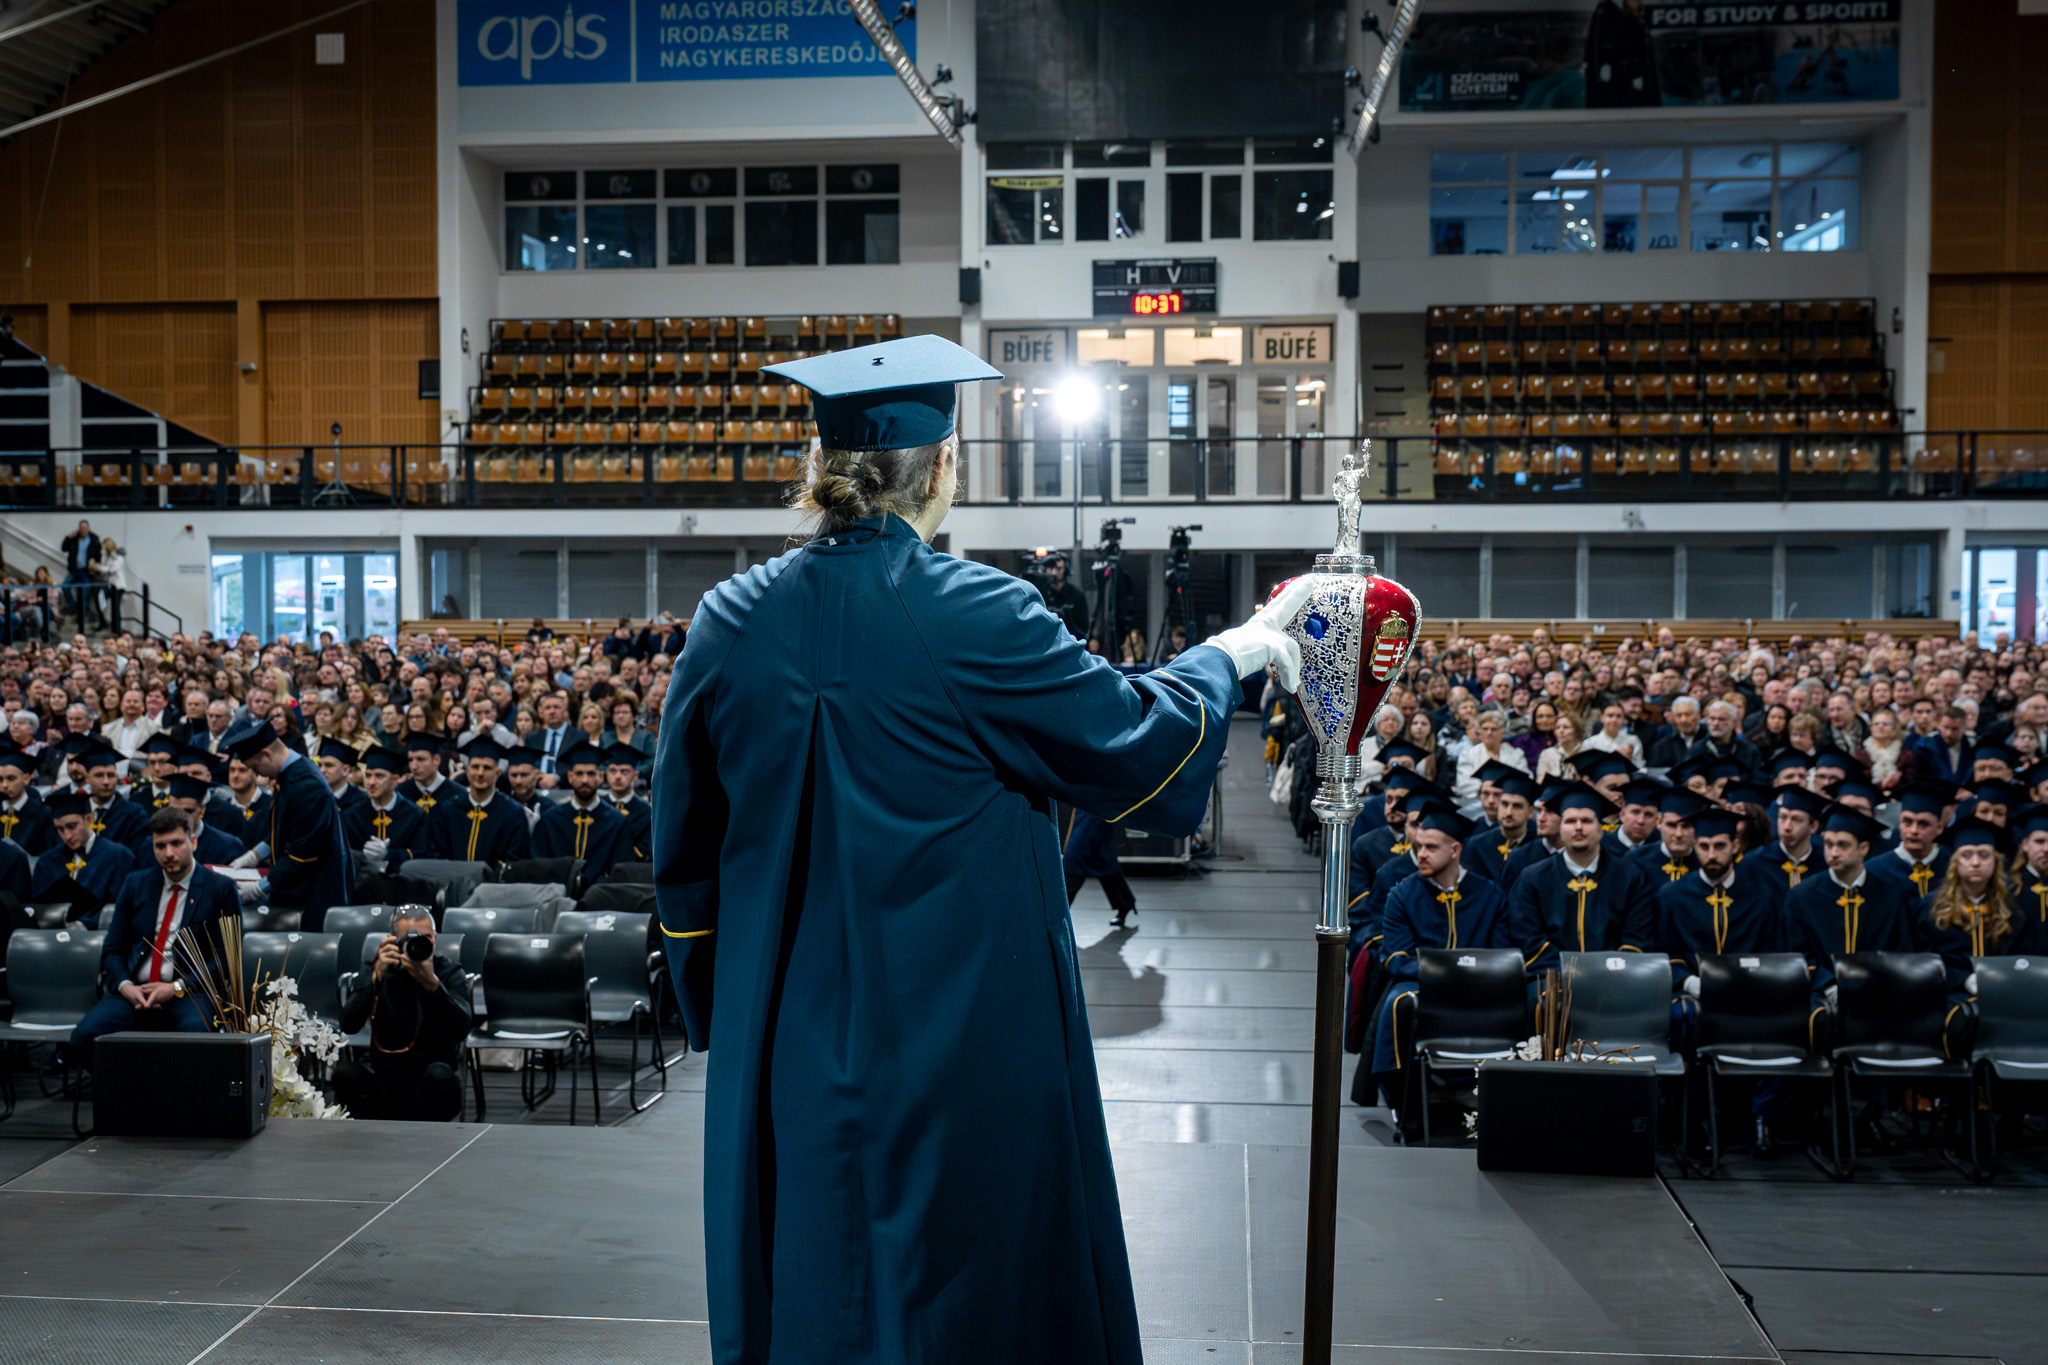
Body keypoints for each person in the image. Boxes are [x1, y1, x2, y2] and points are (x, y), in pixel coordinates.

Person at [655, 333, 1303, 1363]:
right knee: (966, 1278)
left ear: (821, 471)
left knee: (813, 1259)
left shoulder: (728, 619)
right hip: (959, 1029)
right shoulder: (978, 613)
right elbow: (1133, 749)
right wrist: (1230, 653)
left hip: (787, 1029)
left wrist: (725, 1016)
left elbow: (682, 852)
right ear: (943, 468)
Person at [1366, 803, 1512, 1125]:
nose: (1421, 854)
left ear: (1455, 849)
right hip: (1419, 985)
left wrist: (1467, 975)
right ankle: (1406, 1104)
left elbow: (1502, 957)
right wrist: (1450, 972)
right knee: (1397, 1002)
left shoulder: (1490, 896)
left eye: (1431, 847)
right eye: (1419, 846)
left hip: (1481, 989)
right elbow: (1395, 960)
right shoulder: (1402, 896)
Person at [64, 806, 237, 1064]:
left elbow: (226, 959)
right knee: (84, 1037)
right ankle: (131, 1095)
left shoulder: (220, 888)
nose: (169, 853)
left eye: (177, 843)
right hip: (134, 990)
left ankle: (166, 1099)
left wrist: (177, 987)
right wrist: (124, 986)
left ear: (193, 841)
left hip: (188, 991)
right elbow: (113, 948)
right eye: (161, 846)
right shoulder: (136, 883)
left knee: (197, 1040)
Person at [330, 905, 472, 1121]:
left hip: (429, 1081)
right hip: (385, 1078)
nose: (418, 944)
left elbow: (463, 1028)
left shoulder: (448, 972)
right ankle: (370, 1140)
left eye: (426, 938)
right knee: (345, 1073)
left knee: (441, 1076)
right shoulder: (379, 968)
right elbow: (348, 1025)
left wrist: (433, 985)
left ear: (435, 938)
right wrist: (374, 979)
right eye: (409, 939)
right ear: (393, 941)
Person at [1508, 784, 1658, 975]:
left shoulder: (1630, 877)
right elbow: (1528, 939)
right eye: (1570, 821)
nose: (1578, 828)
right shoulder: (1533, 879)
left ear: (1601, 829)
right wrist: (1573, 972)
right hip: (1553, 980)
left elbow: (1637, 937)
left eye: (1586, 821)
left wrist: (1607, 972)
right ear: (1561, 829)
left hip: (1615, 981)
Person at [1787, 805, 1924, 1005]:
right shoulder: (1802, 896)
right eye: (1828, 844)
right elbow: (1798, 954)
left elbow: (1900, 951)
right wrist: (1828, 985)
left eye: (1843, 845)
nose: (1833, 853)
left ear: (1863, 848)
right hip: (1822, 995)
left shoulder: (1891, 895)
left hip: (1881, 994)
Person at [221, 721, 350, 932]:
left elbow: (302, 854)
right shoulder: (292, 773)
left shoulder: (305, 784)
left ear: (266, 754)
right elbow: (288, 827)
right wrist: (255, 854)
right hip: (300, 881)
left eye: (255, 766)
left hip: (315, 888)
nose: (259, 775)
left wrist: (258, 889)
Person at [424, 736, 531, 865]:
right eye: (475, 767)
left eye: (487, 767)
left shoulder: (513, 813)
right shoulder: (448, 810)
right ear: (467, 771)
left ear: (497, 773)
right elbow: (436, 855)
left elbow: (514, 861)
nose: (480, 773)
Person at [30, 791, 136, 913]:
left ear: (88, 819)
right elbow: (38, 907)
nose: (67, 836)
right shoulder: (47, 861)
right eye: (60, 829)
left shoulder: (118, 855)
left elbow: (122, 904)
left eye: (72, 826)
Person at [532, 741, 627, 879]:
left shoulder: (616, 821)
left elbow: (619, 870)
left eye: (590, 774)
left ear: (600, 777)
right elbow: (540, 866)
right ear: (570, 777)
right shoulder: (550, 819)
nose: (584, 780)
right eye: (579, 773)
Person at [344, 746, 426, 876]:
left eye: (379, 776)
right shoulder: (352, 815)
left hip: (401, 885)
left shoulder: (414, 814)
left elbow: (421, 854)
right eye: (368, 775)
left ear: (395, 780)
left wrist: (388, 855)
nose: (371, 782)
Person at [0, 747, 56, 853]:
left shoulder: (42, 815)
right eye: (0, 779)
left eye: (11, 778)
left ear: (26, 779)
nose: (4, 785)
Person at [1034, 553, 1090, 640]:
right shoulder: (1039, 594)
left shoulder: (1076, 595)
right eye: (1050, 568)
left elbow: (1083, 626)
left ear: (1066, 570)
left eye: (1058, 568)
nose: (1054, 572)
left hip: (1071, 641)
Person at [59, 519, 103, 630]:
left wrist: (96, 568)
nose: (83, 530)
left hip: (86, 571)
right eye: (82, 528)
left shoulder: (93, 540)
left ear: (88, 529)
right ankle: (75, 608)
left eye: (85, 528)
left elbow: (98, 556)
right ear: (79, 529)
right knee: (65, 587)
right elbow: (64, 548)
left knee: (85, 592)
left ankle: (81, 614)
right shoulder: (74, 539)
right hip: (74, 570)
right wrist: (68, 537)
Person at [397, 733, 452, 812]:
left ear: (436, 760)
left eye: (420, 759)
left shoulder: (456, 795)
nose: (414, 766)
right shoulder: (400, 794)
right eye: (410, 760)